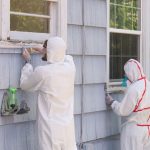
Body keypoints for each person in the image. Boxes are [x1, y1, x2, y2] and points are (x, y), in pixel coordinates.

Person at [20, 37, 77, 150]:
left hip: (50, 130)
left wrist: (28, 62)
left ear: (50, 51)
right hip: (67, 129)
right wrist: (49, 50)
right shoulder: (70, 68)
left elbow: (25, 85)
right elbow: (66, 57)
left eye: (45, 48)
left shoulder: (43, 72)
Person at [106, 59, 150, 150]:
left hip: (133, 130)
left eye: (126, 73)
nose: (125, 75)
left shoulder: (134, 89)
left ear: (131, 72)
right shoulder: (147, 84)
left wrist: (112, 102)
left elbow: (123, 110)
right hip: (146, 129)